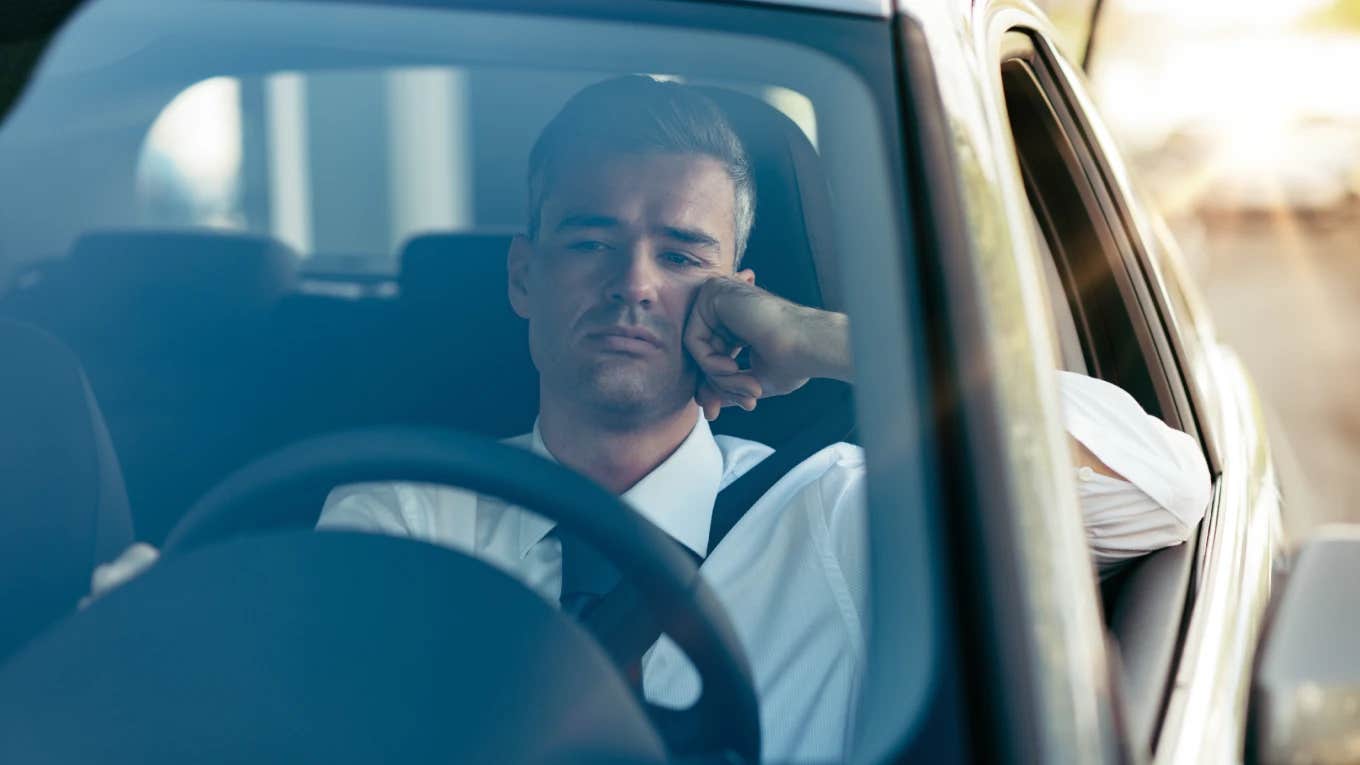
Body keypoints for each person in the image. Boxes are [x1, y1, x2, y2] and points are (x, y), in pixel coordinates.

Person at [310, 76, 1211, 762]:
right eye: (589, 242)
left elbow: (1160, 492)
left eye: (680, 252)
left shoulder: (845, 510)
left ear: (738, 292)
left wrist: (821, 338)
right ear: (522, 277)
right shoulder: (407, 513)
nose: (633, 283)